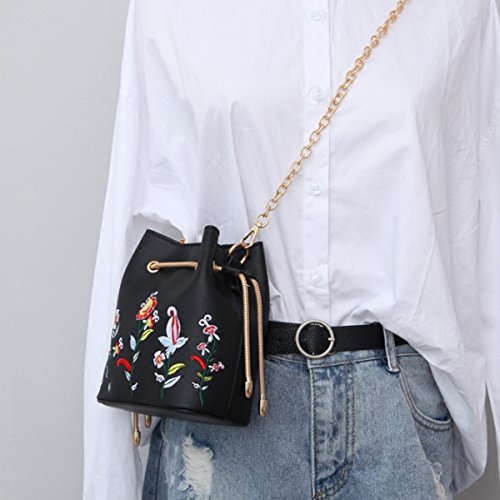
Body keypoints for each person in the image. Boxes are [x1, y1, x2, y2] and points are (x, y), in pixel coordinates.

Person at [83, 0, 500, 498]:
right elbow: (135, 227)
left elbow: (483, 220)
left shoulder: (462, 9)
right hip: (222, 405)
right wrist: (110, 480)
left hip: (396, 412)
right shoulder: (171, 9)